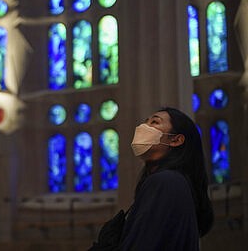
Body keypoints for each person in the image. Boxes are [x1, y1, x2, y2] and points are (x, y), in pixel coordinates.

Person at [89, 107, 214, 251]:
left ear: (176, 140)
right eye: (144, 122)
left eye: (154, 122)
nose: (143, 127)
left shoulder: (166, 182)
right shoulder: (171, 182)